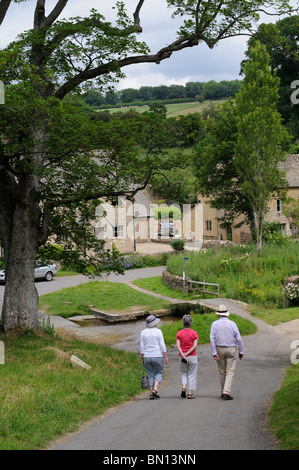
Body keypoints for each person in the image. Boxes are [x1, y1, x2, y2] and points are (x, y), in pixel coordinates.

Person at [210, 304, 245, 400]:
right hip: (230, 349)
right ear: (226, 314)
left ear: (218, 314)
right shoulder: (232, 324)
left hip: (219, 349)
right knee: (230, 371)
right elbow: (238, 339)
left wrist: (214, 352)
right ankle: (226, 391)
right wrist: (241, 351)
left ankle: (223, 391)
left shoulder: (214, 324)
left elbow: (212, 339)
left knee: (222, 371)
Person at [140, 314, 168, 400]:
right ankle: (155, 390)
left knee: (150, 374)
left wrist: (142, 357)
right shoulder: (158, 332)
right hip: (157, 355)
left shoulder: (143, 332)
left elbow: (141, 347)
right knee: (159, 372)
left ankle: (151, 394)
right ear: (155, 323)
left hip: (147, 356)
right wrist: (165, 356)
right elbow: (162, 345)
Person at [176, 314, 199, 399]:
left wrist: (183, 355)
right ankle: (190, 393)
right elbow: (194, 346)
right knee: (192, 374)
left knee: (184, 373)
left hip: (182, 357)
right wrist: (187, 354)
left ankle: (183, 388)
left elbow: (178, 346)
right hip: (192, 356)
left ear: (183, 323)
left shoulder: (179, 333)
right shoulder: (194, 333)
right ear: (191, 323)